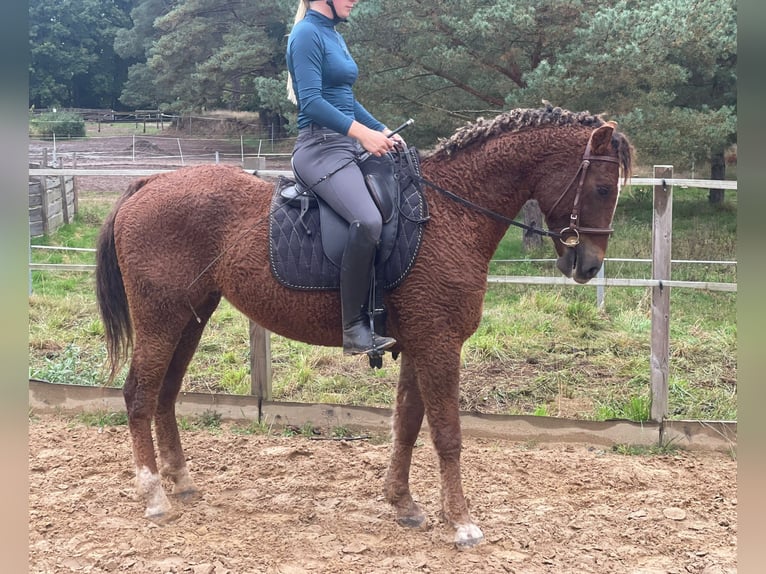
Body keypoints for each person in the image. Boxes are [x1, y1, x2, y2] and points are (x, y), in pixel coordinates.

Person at [286, 0, 404, 355]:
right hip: (318, 147)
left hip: (346, 145)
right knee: (366, 220)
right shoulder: (305, 34)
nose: (354, 0)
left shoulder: (334, 34)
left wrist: (380, 128)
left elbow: (344, 99)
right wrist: (362, 134)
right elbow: (311, 102)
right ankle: (354, 327)